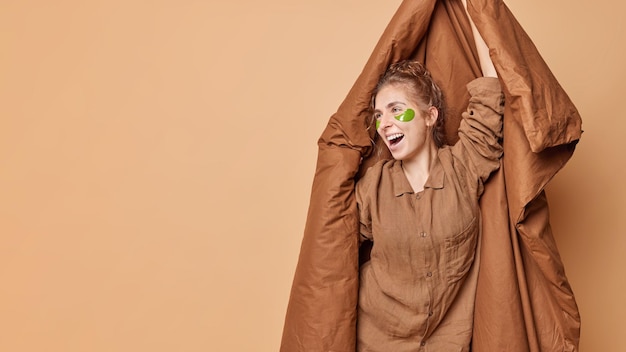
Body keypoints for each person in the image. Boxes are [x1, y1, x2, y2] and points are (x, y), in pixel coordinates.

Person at [355, 6, 503, 350]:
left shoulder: (464, 166)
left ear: (429, 116)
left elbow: (491, 94)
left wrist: (477, 10)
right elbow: (336, 250)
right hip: (374, 339)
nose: (385, 124)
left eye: (396, 109)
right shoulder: (373, 187)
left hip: (447, 342)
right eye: (379, 115)